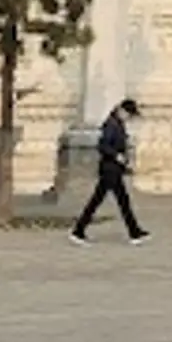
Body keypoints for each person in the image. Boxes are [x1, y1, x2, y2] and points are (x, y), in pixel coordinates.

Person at [72, 96, 144, 245]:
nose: (129, 118)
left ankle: (79, 230)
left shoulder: (117, 123)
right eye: (129, 115)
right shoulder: (111, 124)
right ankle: (134, 232)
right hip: (109, 169)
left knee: (104, 201)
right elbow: (103, 145)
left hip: (113, 169)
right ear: (122, 111)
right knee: (118, 201)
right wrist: (117, 156)